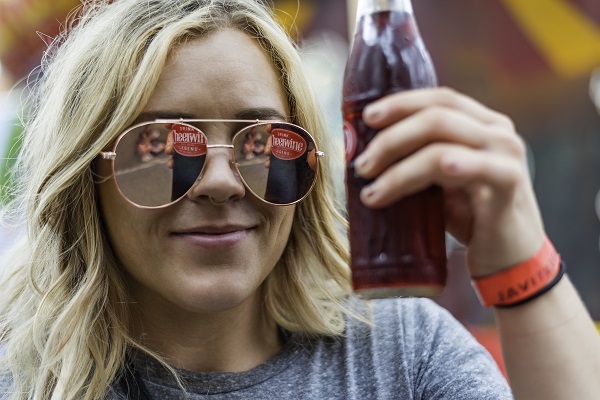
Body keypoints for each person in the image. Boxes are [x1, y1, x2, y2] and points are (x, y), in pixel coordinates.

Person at [0, 1, 599, 399]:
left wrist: (517, 257)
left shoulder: (403, 359)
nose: (221, 182)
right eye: (161, 146)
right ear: (87, 179)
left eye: (264, 144)